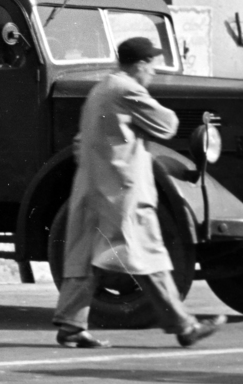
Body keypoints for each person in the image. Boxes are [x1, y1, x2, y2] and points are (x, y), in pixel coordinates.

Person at [53, 36, 224, 348]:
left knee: (86, 257)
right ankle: (185, 327)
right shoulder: (127, 89)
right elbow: (167, 124)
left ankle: (71, 325)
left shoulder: (100, 89)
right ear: (141, 64)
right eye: (152, 65)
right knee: (148, 258)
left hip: (92, 187)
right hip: (123, 192)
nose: (154, 73)